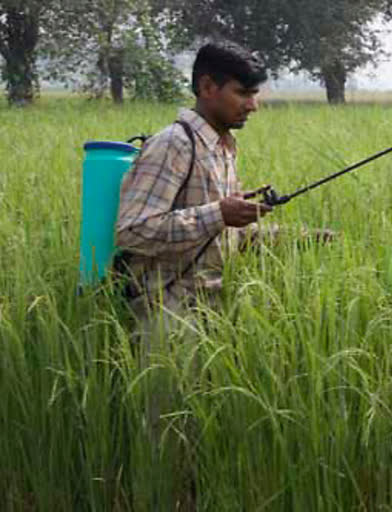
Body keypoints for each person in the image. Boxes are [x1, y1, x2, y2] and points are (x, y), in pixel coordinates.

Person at [114, 41, 284, 509]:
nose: (253, 104)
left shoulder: (223, 147)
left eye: (256, 93)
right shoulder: (173, 144)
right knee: (166, 432)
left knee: (198, 429)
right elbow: (132, 231)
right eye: (243, 92)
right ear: (207, 87)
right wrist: (218, 213)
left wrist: (293, 236)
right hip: (167, 310)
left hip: (210, 310)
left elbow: (217, 232)